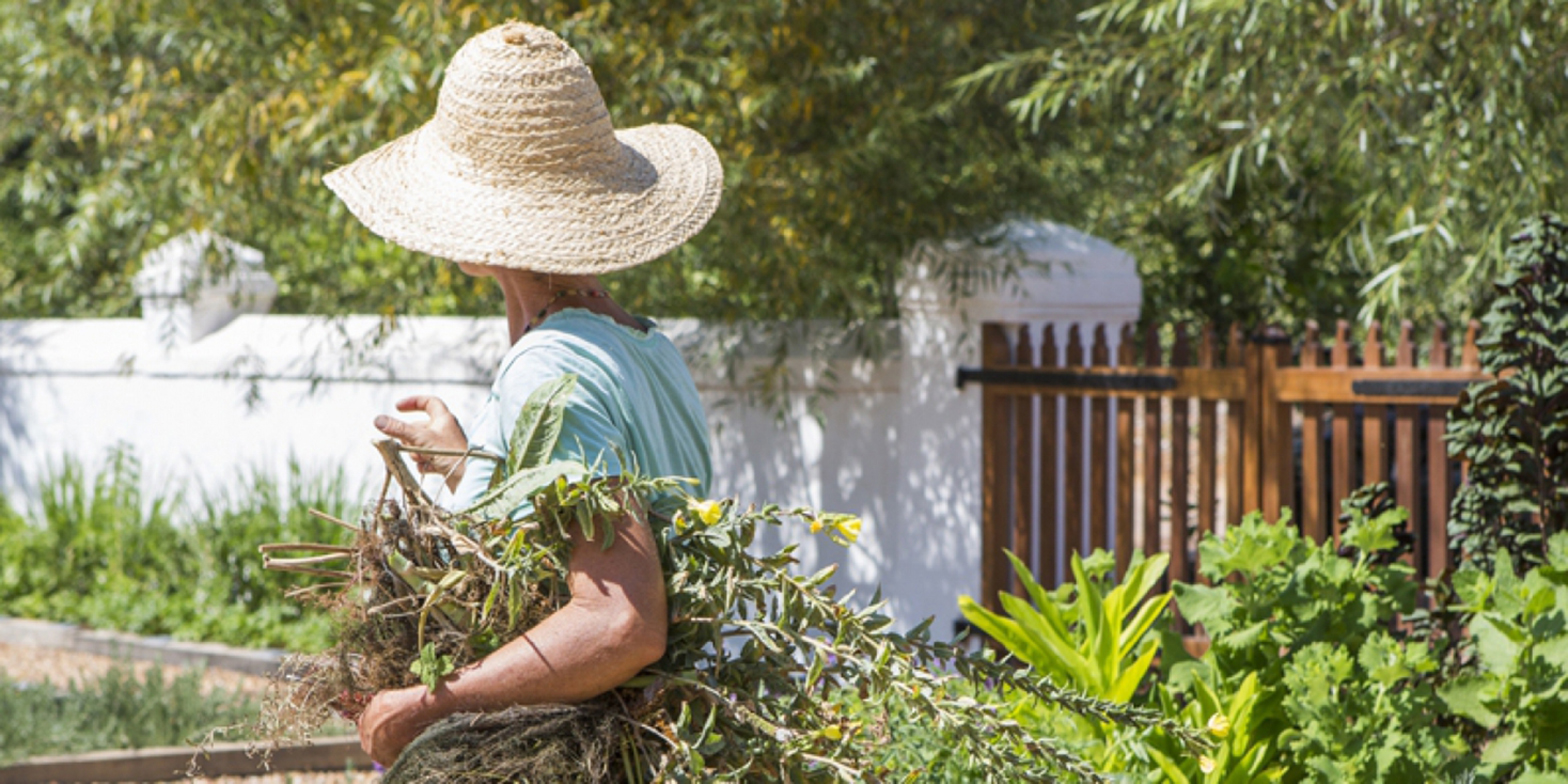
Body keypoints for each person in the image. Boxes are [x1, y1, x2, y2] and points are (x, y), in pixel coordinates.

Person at [320, 20, 722, 766]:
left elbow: (619, 623)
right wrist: (468, 464)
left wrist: (425, 705)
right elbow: (571, 532)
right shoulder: (645, 345)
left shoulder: (551, 371)